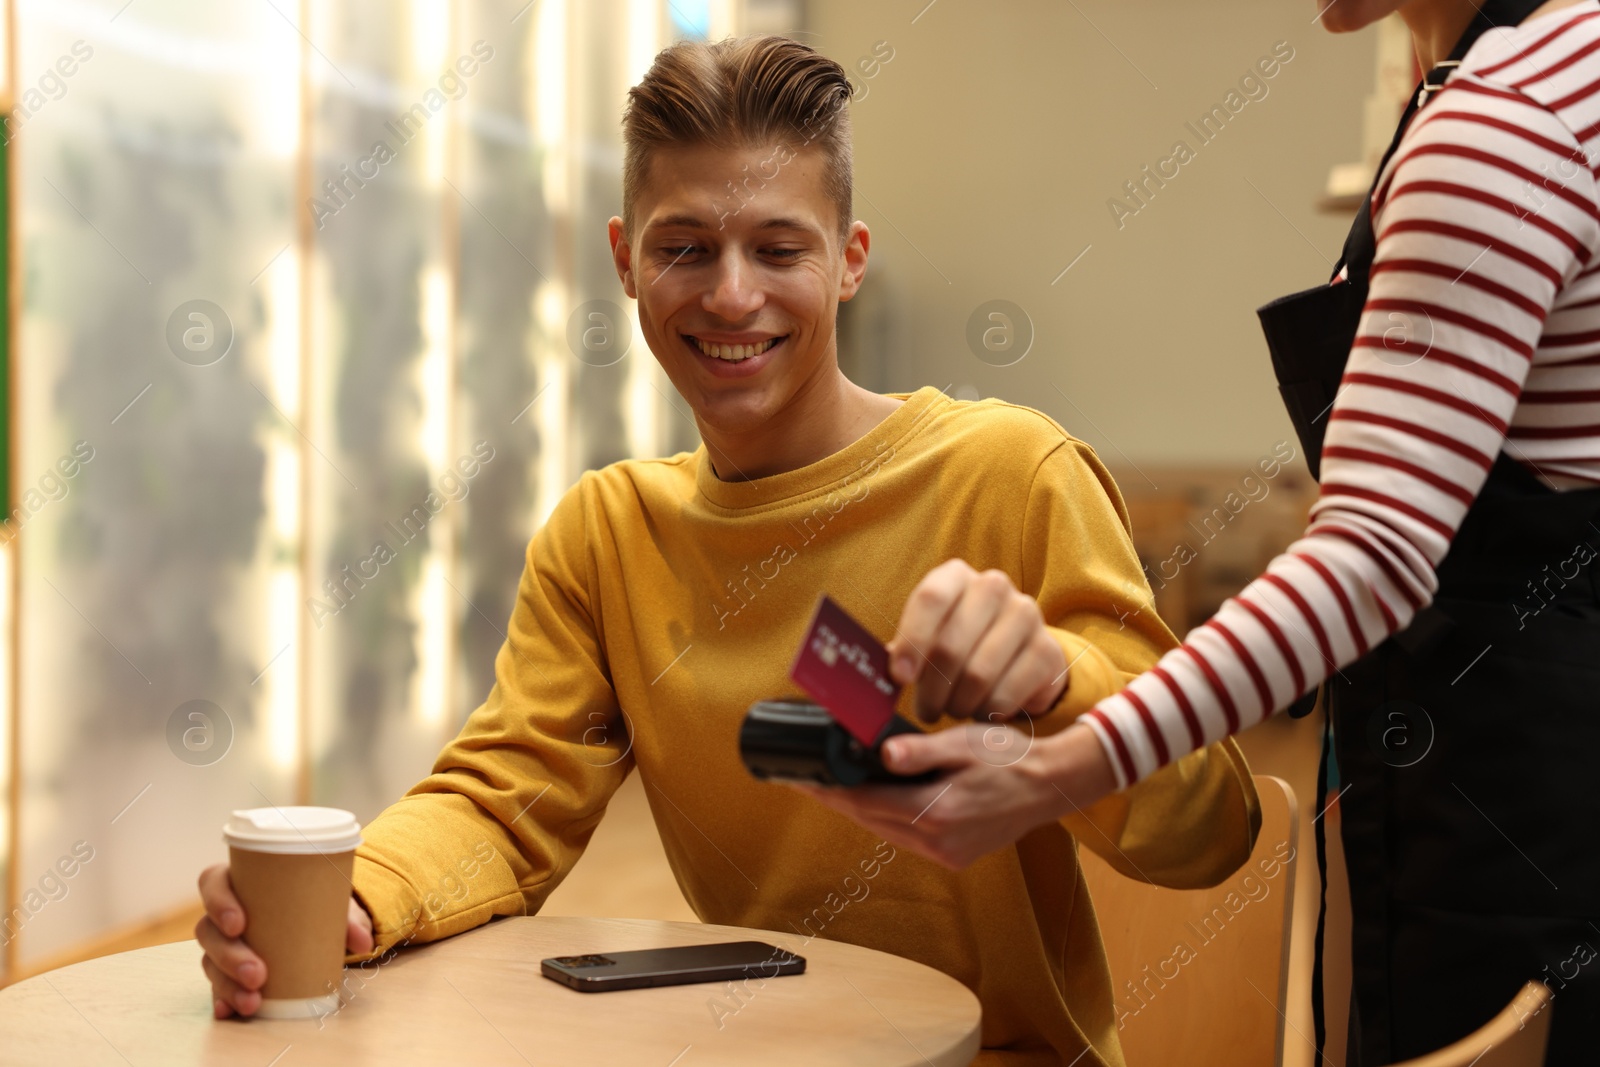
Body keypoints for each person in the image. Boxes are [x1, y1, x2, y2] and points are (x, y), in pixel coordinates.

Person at [193, 35, 1260, 1067]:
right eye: (684, 247)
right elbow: (501, 800)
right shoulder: (607, 533)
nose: (731, 294)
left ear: (848, 263)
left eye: (778, 248)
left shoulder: (1013, 475)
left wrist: (1059, 684)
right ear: (625, 260)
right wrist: (358, 893)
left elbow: (1208, 831)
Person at [801, 0, 1600, 1062]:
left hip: (1511, 826)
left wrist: (1056, 769)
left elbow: (1371, 556)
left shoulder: (1499, 124)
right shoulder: (1569, 68)